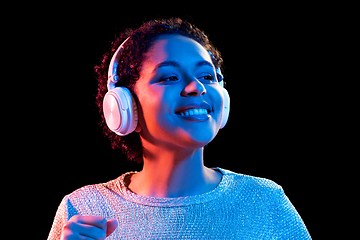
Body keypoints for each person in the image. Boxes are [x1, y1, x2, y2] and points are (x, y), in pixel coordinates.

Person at [48, 18, 311, 239]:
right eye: (170, 77)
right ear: (123, 106)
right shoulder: (83, 208)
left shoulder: (265, 201)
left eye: (207, 76)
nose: (197, 87)